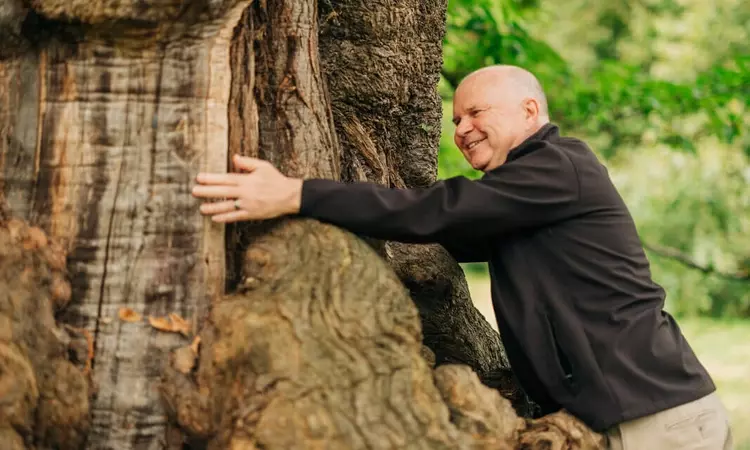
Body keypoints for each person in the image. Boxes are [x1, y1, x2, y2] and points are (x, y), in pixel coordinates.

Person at [191, 65, 733, 449]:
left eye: (475, 111)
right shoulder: (524, 199)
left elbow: (439, 210)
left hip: (658, 419)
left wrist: (296, 194)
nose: (461, 128)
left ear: (529, 110)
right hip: (612, 417)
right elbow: (439, 227)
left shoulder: (560, 167)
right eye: (455, 119)